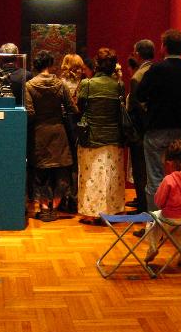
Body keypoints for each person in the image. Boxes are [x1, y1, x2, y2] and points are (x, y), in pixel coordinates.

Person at [136, 29, 181, 213]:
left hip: (157, 128)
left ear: (165, 47)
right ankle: (177, 218)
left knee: (155, 178)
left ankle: (156, 222)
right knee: (180, 176)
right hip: (180, 129)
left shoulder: (157, 69)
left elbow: (140, 93)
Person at [25, 51, 78, 222]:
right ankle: (55, 207)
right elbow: (72, 109)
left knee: (40, 172)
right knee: (61, 171)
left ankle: (44, 208)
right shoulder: (60, 84)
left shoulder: (29, 86)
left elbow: (30, 113)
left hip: (39, 132)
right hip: (59, 132)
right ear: (50, 64)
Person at [76, 48, 125, 225]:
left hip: (91, 136)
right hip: (113, 136)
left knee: (91, 175)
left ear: (97, 64)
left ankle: (91, 213)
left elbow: (80, 108)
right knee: (111, 176)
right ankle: (112, 210)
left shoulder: (87, 84)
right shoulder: (118, 85)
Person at [142, 140, 181, 265]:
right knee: (176, 227)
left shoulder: (169, 180)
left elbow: (159, 201)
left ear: (169, 163)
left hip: (169, 216)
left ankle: (152, 247)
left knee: (153, 220)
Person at [126, 39, 155, 215]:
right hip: (155, 128)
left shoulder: (137, 77)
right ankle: (147, 204)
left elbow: (137, 108)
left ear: (137, 54)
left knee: (140, 171)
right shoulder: (157, 70)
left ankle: (143, 207)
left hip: (141, 132)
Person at [58, 53, 85, 213]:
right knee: (75, 163)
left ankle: (64, 198)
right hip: (76, 124)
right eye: (78, 67)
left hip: (63, 124)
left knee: (65, 163)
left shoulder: (60, 83)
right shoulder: (83, 83)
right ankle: (74, 198)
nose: (80, 70)